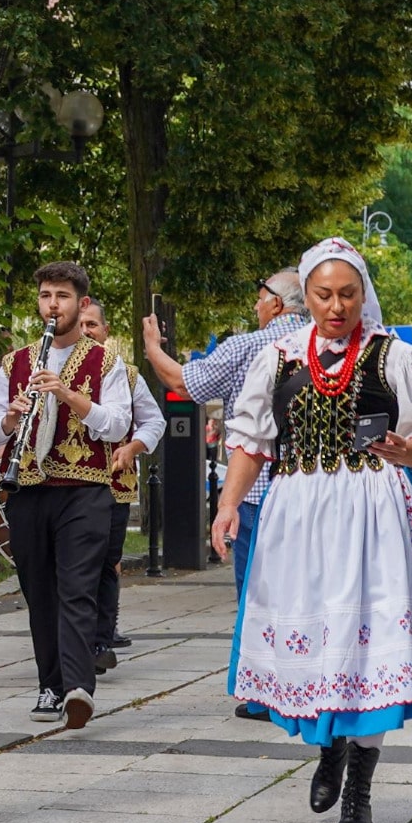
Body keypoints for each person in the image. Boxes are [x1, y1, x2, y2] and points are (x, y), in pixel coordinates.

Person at [213, 238, 412, 823]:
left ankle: (360, 790)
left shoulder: (395, 357)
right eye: (323, 295)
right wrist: (226, 506)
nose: (336, 306)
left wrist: (411, 449)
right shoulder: (276, 358)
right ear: (307, 295)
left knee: (370, 642)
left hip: (375, 511)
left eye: (347, 294)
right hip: (299, 514)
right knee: (320, 635)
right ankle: (330, 747)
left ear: (363, 294)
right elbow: (250, 443)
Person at [141, 267, 310, 720]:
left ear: (276, 302)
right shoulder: (327, 345)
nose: (255, 305)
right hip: (316, 491)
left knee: (257, 592)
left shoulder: (251, 345)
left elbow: (183, 383)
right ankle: (312, 682)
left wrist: (154, 349)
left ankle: (261, 692)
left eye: (259, 297)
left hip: (256, 490)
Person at [0, 263, 133, 729]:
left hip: (85, 490)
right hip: (28, 489)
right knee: (39, 591)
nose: (52, 305)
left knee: (77, 587)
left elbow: (118, 424)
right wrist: (9, 418)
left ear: (81, 303)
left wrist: (67, 394)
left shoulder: (107, 362)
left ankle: (78, 687)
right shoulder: (16, 363)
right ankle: (50, 684)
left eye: (62, 296)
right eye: (46, 295)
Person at [78, 299, 166, 672]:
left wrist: (133, 446)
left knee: (103, 563)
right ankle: (71, 640)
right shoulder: (46, 370)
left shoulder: (127, 375)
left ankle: (100, 641)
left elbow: (154, 422)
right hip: (60, 484)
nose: (85, 332)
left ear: (105, 331)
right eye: (80, 325)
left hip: (112, 484)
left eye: (92, 325)